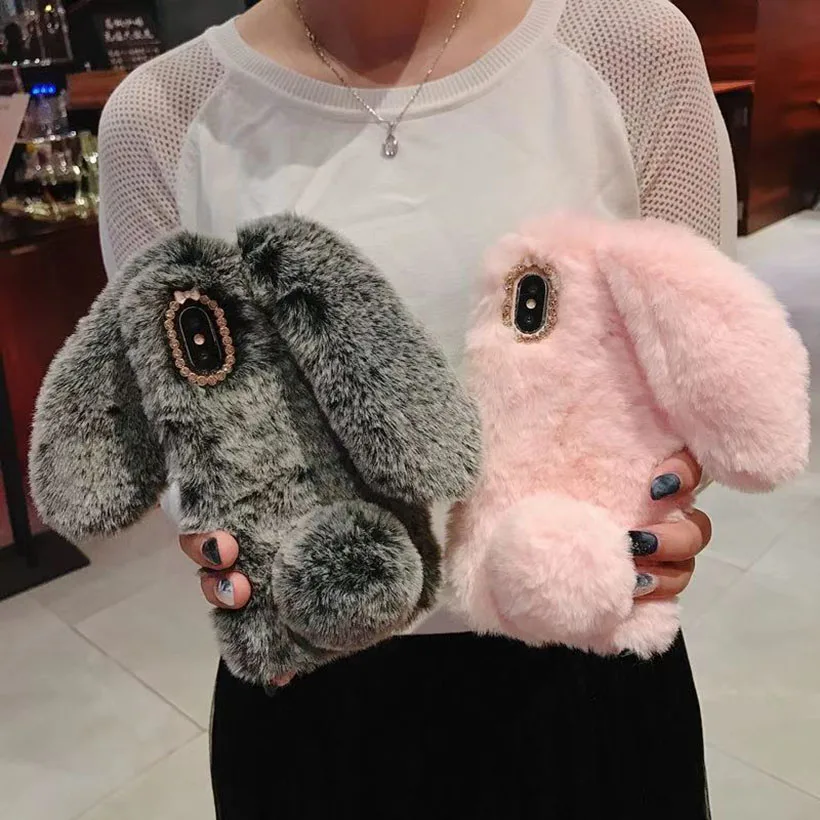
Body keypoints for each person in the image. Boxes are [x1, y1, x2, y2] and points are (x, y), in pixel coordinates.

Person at [98, 0, 734, 816]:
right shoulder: (163, 116)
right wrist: (219, 533)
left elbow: (709, 371)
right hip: (314, 689)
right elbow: (178, 426)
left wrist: (669, 495)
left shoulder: (629, 50)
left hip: (582, 664)